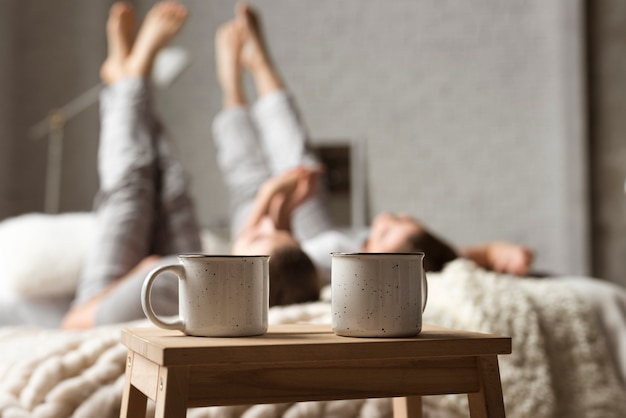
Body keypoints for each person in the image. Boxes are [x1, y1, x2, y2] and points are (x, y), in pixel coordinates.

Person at [210, 3, 535, 287]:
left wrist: (273, 197)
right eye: (394, 217)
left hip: (267, 235)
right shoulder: (375, 250)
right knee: (294, 161)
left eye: (384, 231)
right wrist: (493, 252)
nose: (380, 220)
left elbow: (261, 252)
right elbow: (439, 262)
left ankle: (232, 83)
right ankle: (260, 65)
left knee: (250, 177)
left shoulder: (340, 266)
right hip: (299, 230)